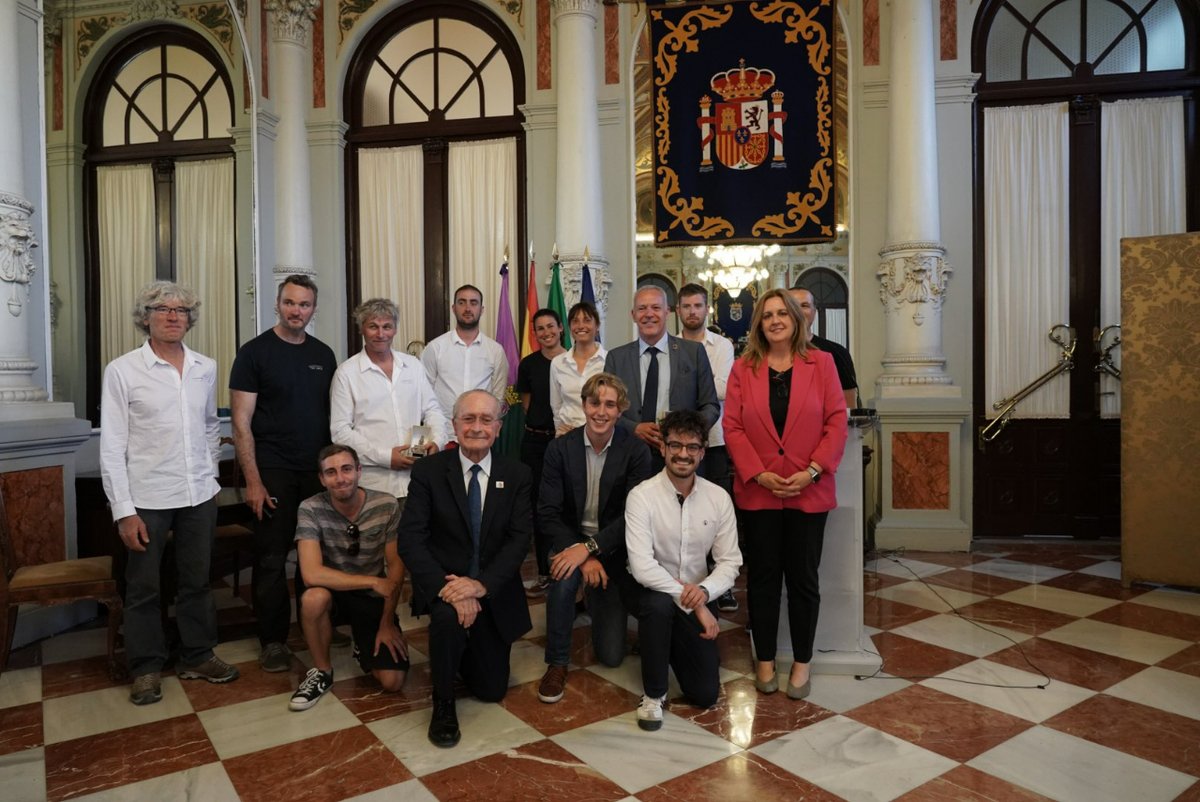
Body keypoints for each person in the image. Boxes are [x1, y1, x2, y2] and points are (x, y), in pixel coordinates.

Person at [100, 281, 240, 705]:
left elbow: (210, 425)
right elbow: (112, 445)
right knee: (143, 588)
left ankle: (198, 654)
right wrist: (124, 511)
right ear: (145, 318)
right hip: (147, 498)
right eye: (162, 309)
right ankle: (145, 667)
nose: (173, 316)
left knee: (197, 582)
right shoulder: (123, 370)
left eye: (181, 310)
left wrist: (210, 473)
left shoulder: (204, 367)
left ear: (190, 318)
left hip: (198, 494)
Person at [724, 289, 848, 699]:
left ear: (796, 319)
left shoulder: (823, 363)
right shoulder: (743, 368)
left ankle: (801, 661)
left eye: (783, 313)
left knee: (803, 580)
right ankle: (763, 659)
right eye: (767, 315)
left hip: (809, 491)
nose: (775, 320)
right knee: (762, 579)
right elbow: (732, 426)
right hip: (759, 492)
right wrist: (758, 473)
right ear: (758, 324)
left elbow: (836, 421)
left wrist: (812, 471)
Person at [396, 390, 534, 749]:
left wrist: (480, 586)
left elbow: (519, 541)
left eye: (486, 420)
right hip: (445, 584)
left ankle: (463, 649)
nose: (477, 427)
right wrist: (450, 590)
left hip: (492, 588)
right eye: (468, 419)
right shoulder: (428, 471)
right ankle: (443, 702)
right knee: (447, 620)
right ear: (454, 425)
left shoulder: (517, 474)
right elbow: (410, 539)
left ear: (498, 428)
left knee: (491, 690)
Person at [230, 274, 338, 673]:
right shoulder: (254, 353)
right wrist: (254, 481)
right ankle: (273, 640)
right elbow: (241, 423)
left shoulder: (324, 355)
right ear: (277, 304)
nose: (296, 311)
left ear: (313, 309)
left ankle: (319, 625)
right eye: (290, 303)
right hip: (273, 470)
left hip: (317, 472)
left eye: (304, 304)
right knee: (272, 558)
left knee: (319, 554)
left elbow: (334, 417)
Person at [536, 372, 653, 704]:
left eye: (610, 405)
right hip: (569, 540)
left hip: (613, 548)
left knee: (612, 656)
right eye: (594, 403)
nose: (601, 412)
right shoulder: (560, 449)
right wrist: (581, 553)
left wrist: (591, 549)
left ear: (621, 410)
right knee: (563, 576)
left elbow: (633, 516)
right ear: (584, 405)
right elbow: (547, 512)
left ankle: (594, 598)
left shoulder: (636, 451)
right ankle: (557, 663)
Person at [625, 410, 741, 731]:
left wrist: (703, 593)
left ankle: (669, 640)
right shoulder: (641, 496)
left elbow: (730, 561)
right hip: (652, 592)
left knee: (705, 694)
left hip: (697, 593)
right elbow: (642, 567)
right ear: (662, 448)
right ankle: (654, 694)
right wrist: (696, 604)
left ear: (703, 452)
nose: (683, 454)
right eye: (675, 445)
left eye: (692, 447)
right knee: (659, 606)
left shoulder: (718, 498)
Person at [288, 445, 409, 711]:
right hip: (334, 593)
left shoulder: (386, 504)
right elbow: (311, 574)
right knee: (313, 598)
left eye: (346, 469)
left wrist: (387, 622)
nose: (341, 478)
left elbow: (396, 568)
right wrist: (372, 581)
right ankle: (322, 672)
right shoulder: (310, 508)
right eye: (331, 472)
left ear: (359, 471)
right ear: (322, 479)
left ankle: (362, 645)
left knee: (392, 682)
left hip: (371, 598)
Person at [330, 298, 450, 509]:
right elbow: (340, 432)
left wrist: (436, 442)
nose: (380, 334)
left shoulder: (413, 366)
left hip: (417, 481)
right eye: (373, 326)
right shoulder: (346, 373)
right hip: (374, 485)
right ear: (362, 329)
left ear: (395, 329)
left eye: (387, 326)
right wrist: (386, 457)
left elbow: (432, 411)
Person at [604, 286, 719, 471]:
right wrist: (634, 428)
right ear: (633, 315)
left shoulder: (693, 352)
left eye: (656, 308)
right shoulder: (616, 358)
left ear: (668, 312)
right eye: (642, 308)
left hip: (681, 458)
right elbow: (606, 408)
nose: (649, 314)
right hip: (629, 458)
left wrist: (686, 432)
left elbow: (711, 406)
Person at [676, 283, 738, 613]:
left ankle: (721, 583)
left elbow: (724, 389)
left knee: (715, 512)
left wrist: (690, 384)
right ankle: (684, 578)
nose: (692, 312)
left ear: (706, 310)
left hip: (713, 441)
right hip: (678, 447)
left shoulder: (721, 345)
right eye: (686, 306)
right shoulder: (670, 346)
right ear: (678, 311)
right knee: (682, 511)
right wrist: (700, 385)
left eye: (697, 306)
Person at [516, 307, 567, 597]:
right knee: (539, 506)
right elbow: (526, 403)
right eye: (540, 329)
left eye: (551, 326)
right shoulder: (528, 364)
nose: (546, 332)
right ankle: (544, 573)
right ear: (535, 334)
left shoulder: (572, 361)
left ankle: (568, 569)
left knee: (567, 505)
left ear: (561, 328)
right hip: (535, 443)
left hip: (564, 442)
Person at [421, 284, 509, 418]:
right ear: (453, 308)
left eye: (473, 303)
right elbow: (424, 392)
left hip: (480, 427)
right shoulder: (435, 347)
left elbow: (498, 397)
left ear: (482, 310)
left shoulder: (495, 350)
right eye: (462, 302)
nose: (468, 308)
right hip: (443, 428)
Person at [789, 287, 859, 409]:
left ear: (814, 312)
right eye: (792, 306)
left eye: (804, 305)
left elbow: (848, 408)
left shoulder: (837, 353)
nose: (798, 311)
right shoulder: (771, 353)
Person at [548, 301, 608, 435]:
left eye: (587, 320)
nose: (581, 326)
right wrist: (560, 430)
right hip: (568, 434)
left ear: (597, 325)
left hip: (601, 434)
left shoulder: (609, 360)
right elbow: (556, 405)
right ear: (569, 327)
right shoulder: (558, 363)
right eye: (575, 321)